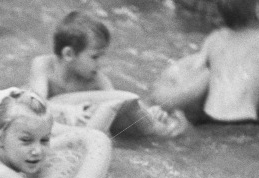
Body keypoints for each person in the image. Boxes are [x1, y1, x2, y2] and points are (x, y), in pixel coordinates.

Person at [29, 11, 185, 138]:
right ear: (69, 54)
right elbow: (36, 104)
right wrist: (66, 110)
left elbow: (120, 104)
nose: (100, 64)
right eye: (94, 57)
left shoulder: (96, 80)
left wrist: (150, 113)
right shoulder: (43, 66)